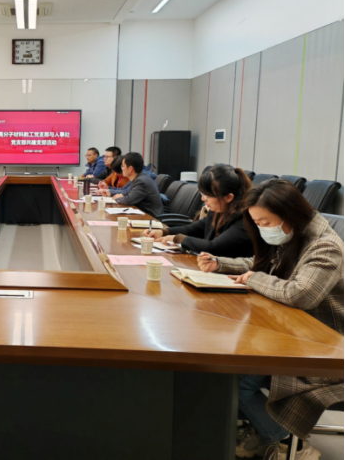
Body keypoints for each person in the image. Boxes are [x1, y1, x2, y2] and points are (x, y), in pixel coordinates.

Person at [198, 180, 343, 460]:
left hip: (322, 345)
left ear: (289, 215)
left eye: (265, 222)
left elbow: (300, 294)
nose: (262, 228)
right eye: (257, 223)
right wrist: (220, 264)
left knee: (238, 383)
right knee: (230, 369)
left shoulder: (324, 247)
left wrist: (254, 279)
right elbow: (263, 266)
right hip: (288, 330)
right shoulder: (294, 234)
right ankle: (258, 431)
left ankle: (290, 443)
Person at [142, 165, 254, 257]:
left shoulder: (244, 220)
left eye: (207, 196)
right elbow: (192, 229)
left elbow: (213, 247)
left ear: (229, 197)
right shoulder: (219, 210)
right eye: (202, 194)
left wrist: (178, 238)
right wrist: (163, 232)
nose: (203, 199)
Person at [109, 152, 163, 217]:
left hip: (151, 217)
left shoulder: (141, 181)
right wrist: (113, 193)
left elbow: (129, 200)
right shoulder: (138, 178)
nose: (122, 168)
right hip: (142, 214)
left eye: (122, 166)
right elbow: (127, 192)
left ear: (130, 169)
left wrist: (117, 198)